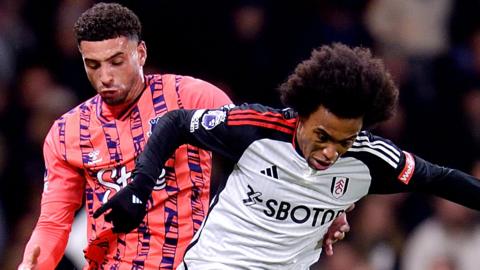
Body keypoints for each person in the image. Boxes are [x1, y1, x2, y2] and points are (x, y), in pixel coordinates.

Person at [18, 3, 348, 269]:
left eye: (116, 61)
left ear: (140, 54)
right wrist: (35, 261)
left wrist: (326, 202)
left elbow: (271, 146)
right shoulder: (67, 132)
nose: (105, 76)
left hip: (196, 261)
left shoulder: (192, 98)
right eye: (93, 65)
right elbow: (53, 223)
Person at [94, 43, 480, 269]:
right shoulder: (255, 129)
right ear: (302, 113)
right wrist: (140, 187)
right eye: (322, 135)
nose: (330, 152)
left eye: (344, 142)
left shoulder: (370, 160)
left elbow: (440, 178)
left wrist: (335, 208)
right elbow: (176, 122)